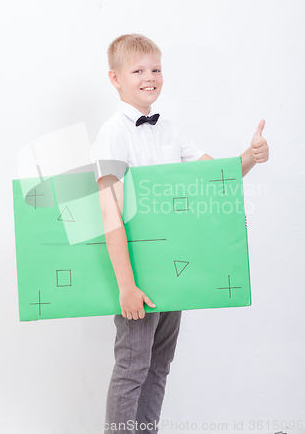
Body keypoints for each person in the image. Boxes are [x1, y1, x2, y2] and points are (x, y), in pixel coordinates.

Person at [91, 34, 269, 434]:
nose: (149, 77)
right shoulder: (113, 134)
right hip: (137, 275)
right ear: (115, 78)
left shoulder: (170, 129)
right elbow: (110, 213)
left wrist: (249, 157)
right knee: (132, 365)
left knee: (158, 365)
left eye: (155, 69)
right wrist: (126, 286)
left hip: (174, 269)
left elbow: (213, 179)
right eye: (137, 70)